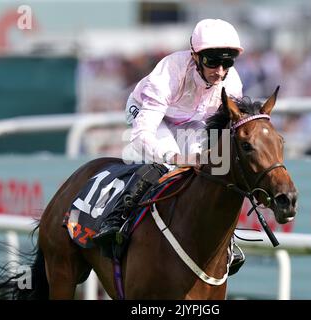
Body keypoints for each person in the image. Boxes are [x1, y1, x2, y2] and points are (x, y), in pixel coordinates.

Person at [93, 18, 246, 275]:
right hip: (149, 113)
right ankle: (115, 221)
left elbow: (225, 134)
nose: (219, 71)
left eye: (227, 62)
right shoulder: (170, 70)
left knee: (214, 166)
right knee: (163, 164)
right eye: (212, 61)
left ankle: (227, 239)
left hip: (190, 119)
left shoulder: (232, 85)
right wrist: (176, 155)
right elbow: (142, 136)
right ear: (196, 57)